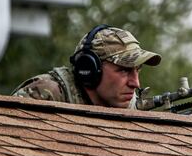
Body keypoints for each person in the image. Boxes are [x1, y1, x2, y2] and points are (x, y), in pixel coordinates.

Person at [12, 24, 161, 108]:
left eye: (137, 70)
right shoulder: (46, 94)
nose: (136, 83)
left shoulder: (131, 105)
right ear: (90, 70)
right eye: (124, 70)